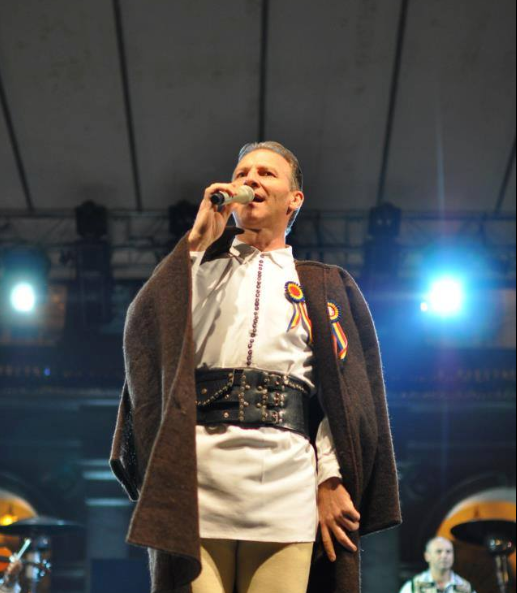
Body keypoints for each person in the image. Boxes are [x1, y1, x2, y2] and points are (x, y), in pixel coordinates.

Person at [110, 141, 401, 593]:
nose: (250, 179)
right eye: (242, 172)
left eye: (266, 173)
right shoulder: (197, 270)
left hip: (286, 483)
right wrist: (196, 243)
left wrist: (330, 477)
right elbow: (142, 333)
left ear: (294, 199)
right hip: (199, 481)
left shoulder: (323, 286)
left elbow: (344, 395)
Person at [400, 537, 476, 593]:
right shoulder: (412, 587)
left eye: (448, 551)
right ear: (427, 556)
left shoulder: (465, 588)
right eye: (439, 551)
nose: (444, 555)